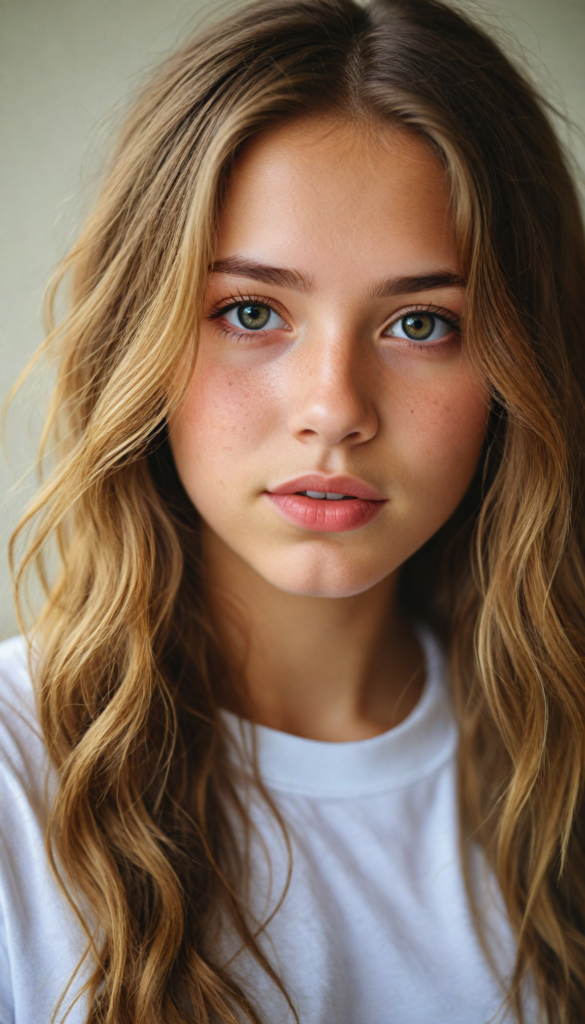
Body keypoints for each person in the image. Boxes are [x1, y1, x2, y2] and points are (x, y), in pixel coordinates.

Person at [2, 0, 585, 1021]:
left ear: (517, 368)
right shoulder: (17, 778)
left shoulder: (564, 754)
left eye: (421, 323)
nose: (334, 409)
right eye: (251, 311)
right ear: (141, 339)